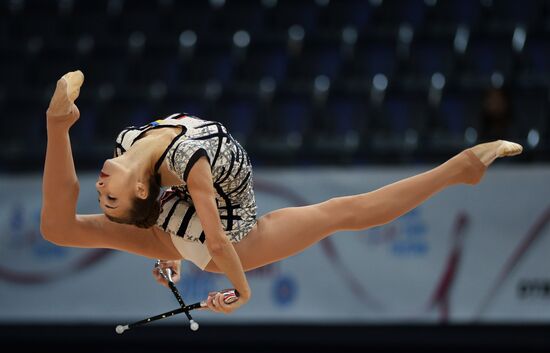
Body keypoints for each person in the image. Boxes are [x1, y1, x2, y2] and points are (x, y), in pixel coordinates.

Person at [41, 71, 523, 314]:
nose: (100, 187)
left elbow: (174, 214)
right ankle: (459, 169)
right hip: (231, 236)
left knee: (59, 227)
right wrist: (238, 291)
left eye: (103, 195)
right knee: (345, 212)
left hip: (199, 225)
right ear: (144, 189)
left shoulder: (132, 141)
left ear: (147, 187)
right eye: (110, 198)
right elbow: (215, 243)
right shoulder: (179, 164)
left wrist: (175, 250)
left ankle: (58, 123)